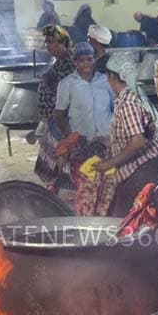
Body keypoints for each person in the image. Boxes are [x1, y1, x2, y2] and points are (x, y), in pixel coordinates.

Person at [94, 53, 158, 216]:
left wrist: (109, 164)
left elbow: (137, 142)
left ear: (111, 77)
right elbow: (133, 134)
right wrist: (109, 142)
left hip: (147, 167)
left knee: (133, 219)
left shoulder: (128, 103)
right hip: (153, 164)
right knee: (148, 219)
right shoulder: (130, 96)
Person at [55, 43, 116, 215]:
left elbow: (115, 107)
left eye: (89, 59)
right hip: (83, 145)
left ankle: (104, 220)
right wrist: (71, 137)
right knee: (85, 185)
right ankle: (86, 221)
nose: (85, 64)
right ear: (75, 63)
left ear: (94, 59)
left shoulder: (105, 80)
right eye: (80, 61)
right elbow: (59, 115)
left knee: (107, 184)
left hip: (106, 142)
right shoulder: (67, 84)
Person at [33, 25, 77, 193]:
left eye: (52, 42)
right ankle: (54, 184)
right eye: (47, 42)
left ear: (63, 43)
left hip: (63, 118)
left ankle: (55, 185)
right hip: (54, 118)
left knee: (61, 154)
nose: (48, 46)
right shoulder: (58, 61)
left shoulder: (68, 62)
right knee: (56, 155)